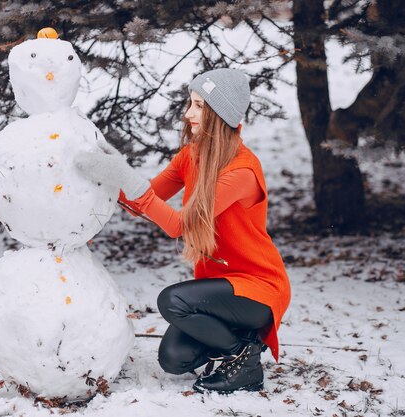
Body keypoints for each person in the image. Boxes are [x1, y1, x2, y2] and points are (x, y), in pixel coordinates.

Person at [73, 68, 291, 394]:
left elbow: (179, 225)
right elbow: (143, 200)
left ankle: (243, 357)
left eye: (200, 106)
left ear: (220, 114)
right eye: (191, 103)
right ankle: (243, 343)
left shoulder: (242, 171)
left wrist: (124, 176)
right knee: (173, 358)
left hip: (258, 288)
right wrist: (108, 175)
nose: (189, 113)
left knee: (171, 301)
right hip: (218, 290)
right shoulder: (191, 156)